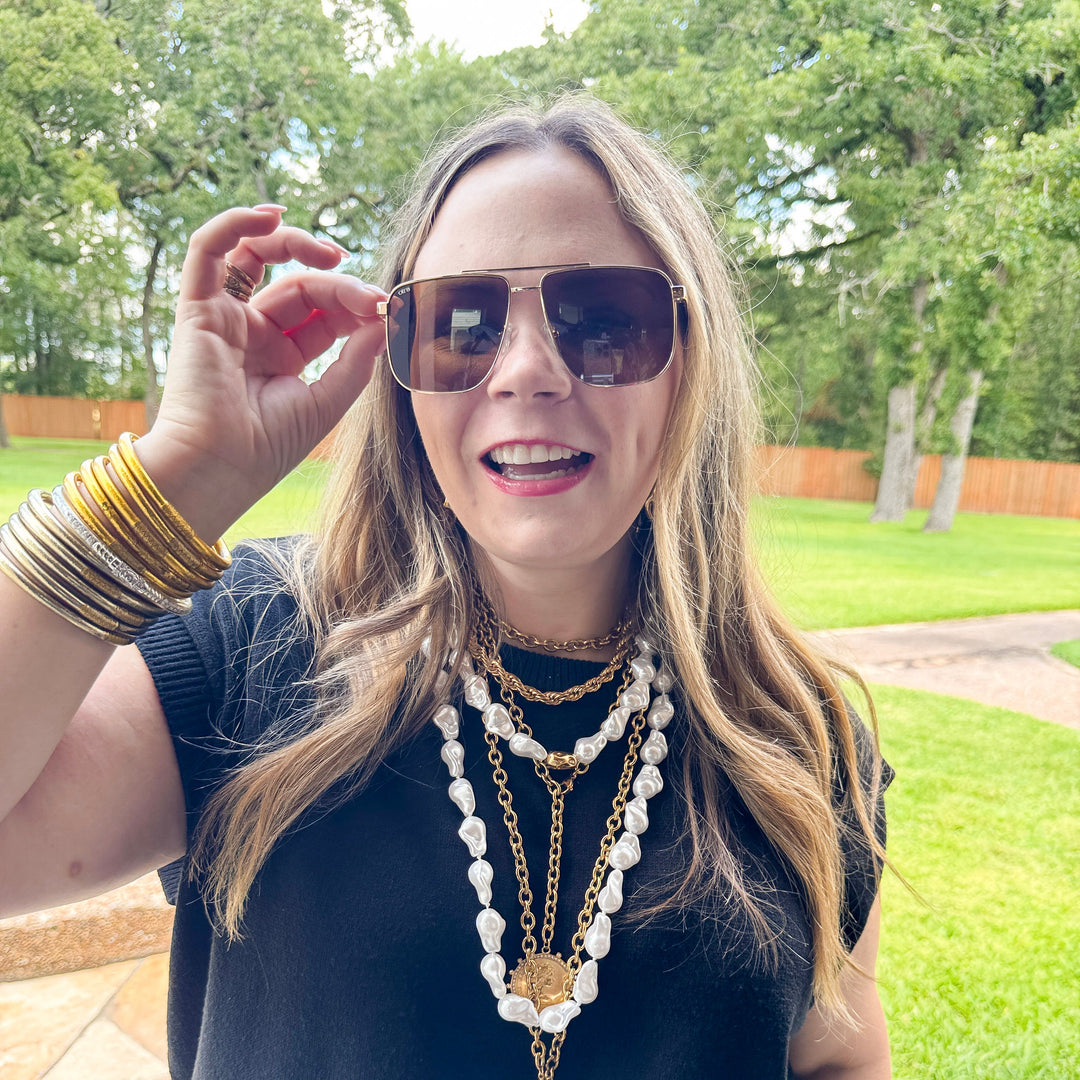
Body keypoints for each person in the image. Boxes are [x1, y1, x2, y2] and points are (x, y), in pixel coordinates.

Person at [0, 95, 892, 1079]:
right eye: (462, 324)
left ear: (692, 358)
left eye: (603, 320)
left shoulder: (800, 736)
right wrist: (180, 479)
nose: (526, 372)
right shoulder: (252, 650)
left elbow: (838, 1055)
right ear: (398, 370)